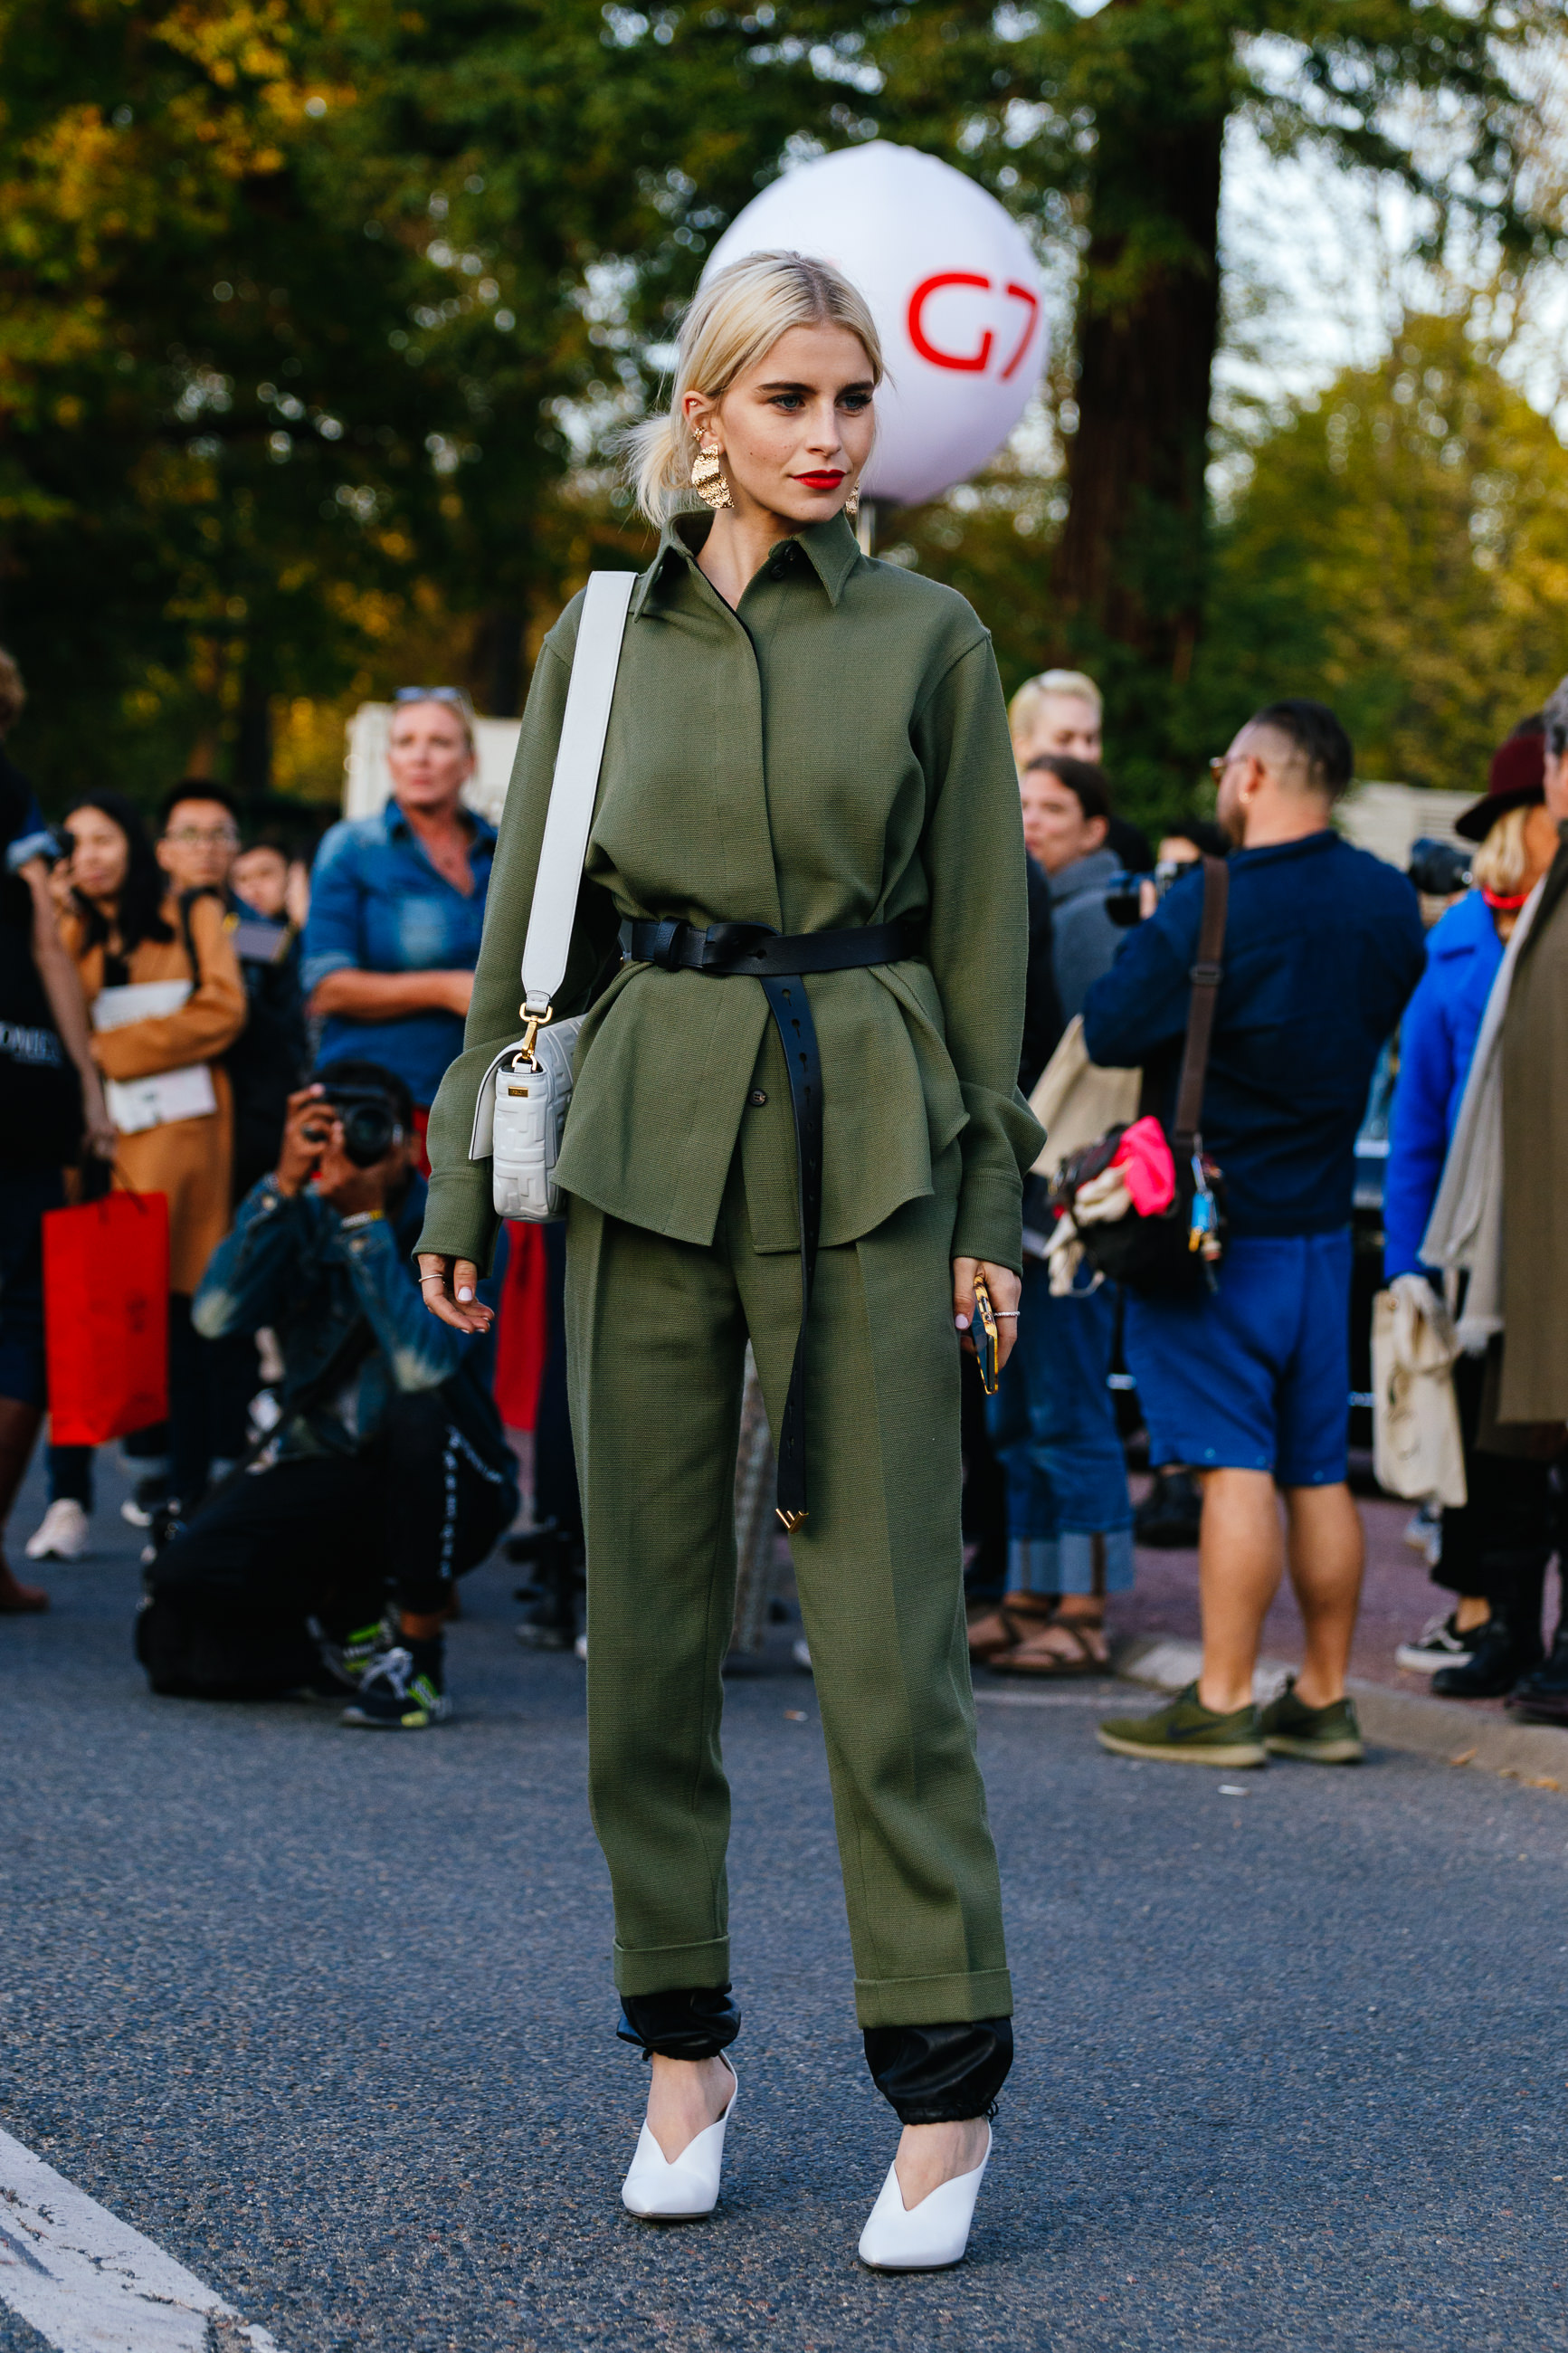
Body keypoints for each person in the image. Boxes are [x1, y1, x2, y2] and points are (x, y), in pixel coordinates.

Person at [415, 251, 1041, 2267]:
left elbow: (976, 952)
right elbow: (528, 948)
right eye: (791, 399)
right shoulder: (596, 641)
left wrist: (987, 1208)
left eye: (853, 398)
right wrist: (454, 1181)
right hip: (644, 1141)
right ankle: (681, 2054)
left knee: (885, 1649)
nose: (834, 434)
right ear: (704, 416)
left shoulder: (935, 636)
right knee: (648, 1636)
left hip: (871, 1135)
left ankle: (939, 2105)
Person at [1086, 699, 1425, 1767]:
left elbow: (1108, 1024)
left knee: (1232, 1463)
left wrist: (1155, 924)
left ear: (1251, 775)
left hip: (1211, 1228)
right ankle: (1321, 1697)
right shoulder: (1385, 901)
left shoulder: (1209, 898)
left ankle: (1223, 1697)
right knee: (1315, 1467)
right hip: (1322, 1228)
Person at [138, 1064, 517, 1715]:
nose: (347, 1145)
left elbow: (424, 1367)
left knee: (415, 1411)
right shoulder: (293, 1209)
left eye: (369, 1127)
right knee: (181, 1585)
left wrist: (363, 1227)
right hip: (327, 1462)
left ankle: (420, 1660)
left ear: (406, 1142)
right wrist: (281, 1186)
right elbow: (215, 1318)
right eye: (326, 1129)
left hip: (452, 1476)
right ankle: (350, 1631)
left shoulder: (459, 1225)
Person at [1383, 730, 1562, 1695]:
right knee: (1492, 1459)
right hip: (1472, 1238)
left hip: (1550, 1228)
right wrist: (1409, 1261)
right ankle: (1502, 1630)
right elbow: (1417, 1119)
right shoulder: (1453, 943)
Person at [45, 791, 246, 1533]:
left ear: (134, 845)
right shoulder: (60, 923)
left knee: (177, 1320)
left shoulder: (191, 913)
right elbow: (41, 1005)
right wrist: (53, 914)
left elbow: (223, 1010)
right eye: (75, 843)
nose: (89, 855)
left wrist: (104, 1051)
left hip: (178, 1142)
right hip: (87, 1144)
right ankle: (68, 1495)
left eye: (103, 840)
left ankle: (184, 1492)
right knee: (78, 1310)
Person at [0, 647, 115, 1604]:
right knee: (21, 1319)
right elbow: (45, 937)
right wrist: (86, 1081)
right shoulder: (12, 796)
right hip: (22, 1075)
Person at [302, 690, 496, 1152]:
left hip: (485, 1104)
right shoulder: (353, 847)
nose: (421, 758)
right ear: (388, 759)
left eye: (440, 743)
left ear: (468, 762)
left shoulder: (505, 851)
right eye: (406, 742)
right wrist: (445, 990)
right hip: (378, 1104)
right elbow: (326, 986)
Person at [1019, 754, 1125, 1020]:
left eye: (1053, 808)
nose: (1030, 821)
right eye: (1022, 805)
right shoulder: (1043, 901)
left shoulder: (1096, 914)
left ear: (1093, 832)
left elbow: (1086, 1037)